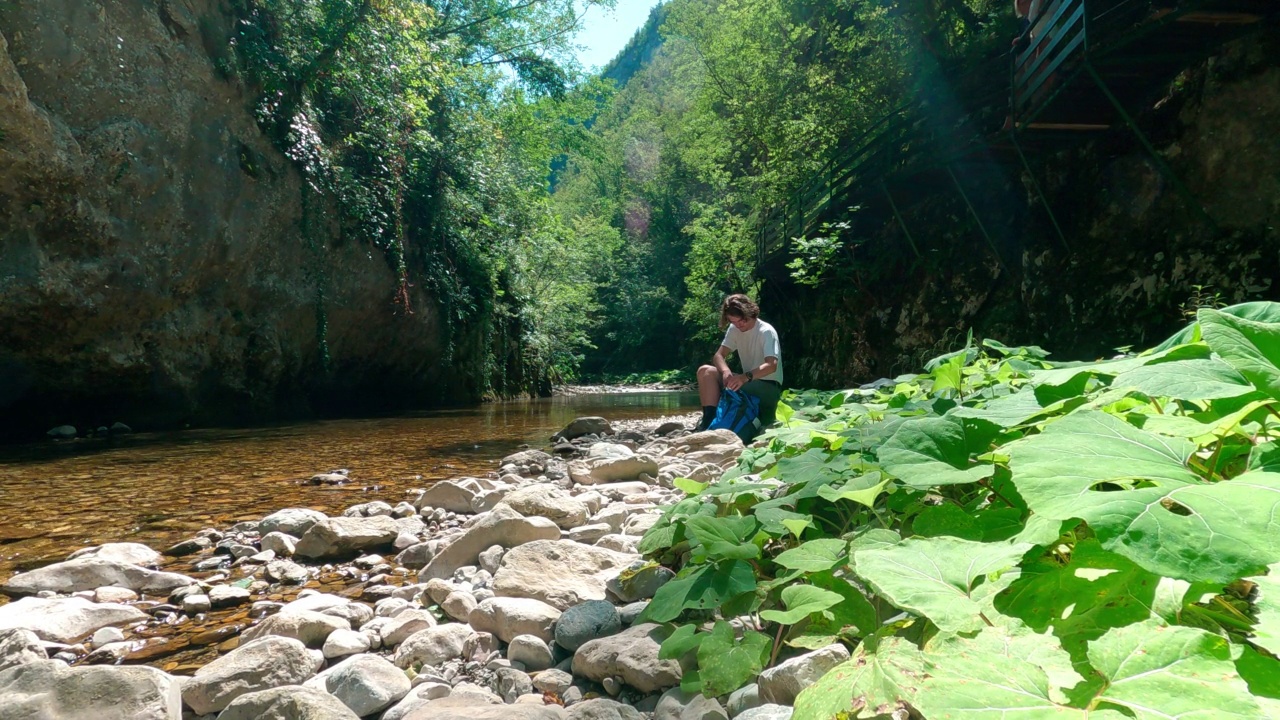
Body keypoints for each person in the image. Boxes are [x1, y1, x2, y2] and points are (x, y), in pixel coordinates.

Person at [694, 294, 784, 432]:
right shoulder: (734, 329)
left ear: (750, 312)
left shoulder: (766, 331)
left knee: (733, 382)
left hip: (768, 388)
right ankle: (708, 422)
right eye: (733, 321)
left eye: (741, 321)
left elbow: (772, 365)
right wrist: (725, 372)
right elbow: (718, 356)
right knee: (705, 371)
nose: (738, 325)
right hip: (747, 384)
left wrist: (744, 377)